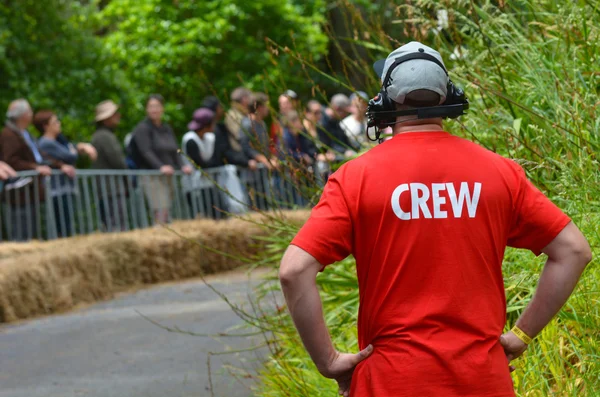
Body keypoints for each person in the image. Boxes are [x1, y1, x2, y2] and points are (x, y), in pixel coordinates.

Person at [279, 41, 592, 397]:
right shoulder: (500, 172)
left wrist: (329, 361)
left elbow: (293, 270)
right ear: (447, 99)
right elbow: (574, 251)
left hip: (390, 381)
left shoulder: (355, 179)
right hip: (482, 379)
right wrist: (519, 336)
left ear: (385, 102)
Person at [0, 99, 72, 241]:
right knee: (21, 234)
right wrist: (35, 168)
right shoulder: (8, 134)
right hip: (18, 194)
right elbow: (11, 160)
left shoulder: (24, 133)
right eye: (29, 111)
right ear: (24, 115)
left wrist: (60, 165)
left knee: (32, 232)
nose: (31, 114)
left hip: (30, 192)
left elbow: (40, 156)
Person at [131, 94, 192, 224]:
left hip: (168, 175)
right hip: (152, 175)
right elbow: (145, 151)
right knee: (160, 208)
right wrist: (160, 166)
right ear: (146, 109)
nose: (154, 110)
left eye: (157, 106)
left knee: (168, 208)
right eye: (151, 106)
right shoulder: (142, 128)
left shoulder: (166, 128)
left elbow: (175, 150)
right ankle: (159, 234)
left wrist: (182, 165)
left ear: (162, 108)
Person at [34, 110, 80, 238]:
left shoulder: (57, 141)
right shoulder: (46, 143)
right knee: (63, 227)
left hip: (63, 190)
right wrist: (72, 150)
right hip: (57, 191)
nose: (58, 124)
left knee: (66, 224)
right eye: (55, 122)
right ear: (45, 126)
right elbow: (70, 156)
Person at [91, 99, 128, 232]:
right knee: (117, 225)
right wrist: (127, 178)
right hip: (111, 188)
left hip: (109, 188)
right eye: (114, 114)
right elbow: (117, 161)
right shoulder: (104, 136)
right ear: (106, 119)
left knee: (113, 223)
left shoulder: (101, 135)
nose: (118, 116)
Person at [240, 92, 275, 170]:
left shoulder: (263, 124)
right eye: (266, 105)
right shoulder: (247, 124)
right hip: (251, 174)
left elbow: (265, 146)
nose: (268, 108)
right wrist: (264, 160)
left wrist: (272, 158)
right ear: (259, 107)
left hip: (264, 171)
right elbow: (246, 147)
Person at [319, 94, 358, 158]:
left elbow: (345, 140)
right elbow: (328, 146)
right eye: (344, 112)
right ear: (336, 109)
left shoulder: (336, 121)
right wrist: (345, 151)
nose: (346, 115)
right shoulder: (322, 122)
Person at [224, 87, 253, 161]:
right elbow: (239, 135)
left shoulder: (243, 113)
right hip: (240, 155)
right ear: (244, 99)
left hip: (246, 153)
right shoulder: (233, 115)